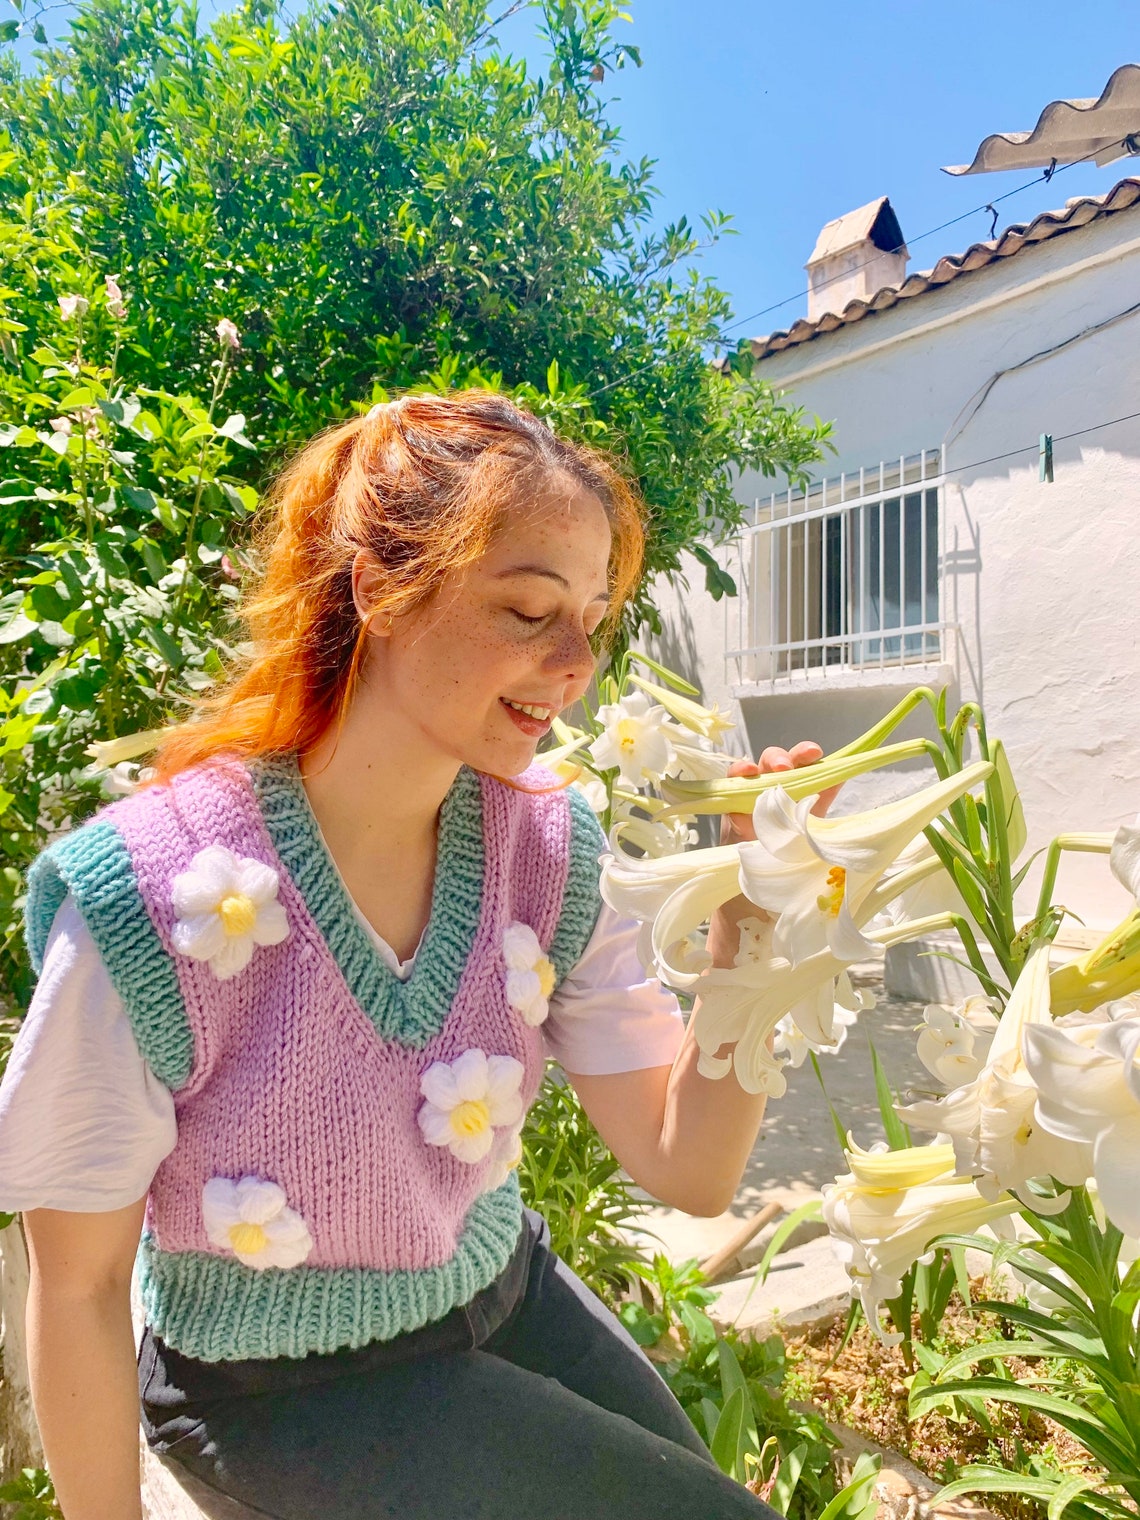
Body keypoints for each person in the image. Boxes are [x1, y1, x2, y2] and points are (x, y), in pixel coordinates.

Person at [0, 391, 831, 1520]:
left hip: (507, 1290)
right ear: (380, 587)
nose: (578, 659)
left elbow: (691, 1168)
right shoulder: (153, 896)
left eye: (595, 612)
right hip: (267, 1391)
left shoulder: (547, 847)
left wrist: (758, 925)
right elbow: (81, 1275)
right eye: (531, 609)